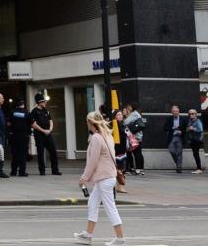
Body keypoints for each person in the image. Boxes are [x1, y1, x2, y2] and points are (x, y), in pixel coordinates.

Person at [74, 111, 127, 246]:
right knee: (93, 203)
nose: (87, 124)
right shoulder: (108, 135)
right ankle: (88, 235)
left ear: (91, 122)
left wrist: (84, 178)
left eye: (87, 122)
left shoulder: (96, 138)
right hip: (106, 177)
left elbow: (93, 161)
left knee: (110, 207)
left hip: (105, 178)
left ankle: (120, 239)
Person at [31, 93, 61, 175]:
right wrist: (43, 131)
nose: (45, 103)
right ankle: (42, 171)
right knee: (40, 153)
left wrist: (50, 129)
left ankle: (55, 170)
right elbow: (33, 124)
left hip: (48, 134)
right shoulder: (34, 112)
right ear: (39, 102)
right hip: (39, 135)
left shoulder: (46, 111)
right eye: (44, 102)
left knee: (53, 151)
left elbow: (50, 121)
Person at [8, 97, 32, 177]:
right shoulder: (26, 112)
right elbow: (31, 122)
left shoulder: (12, 112)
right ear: (23, 104)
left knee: (15, 153)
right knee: (23, 154)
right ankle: (22, 171)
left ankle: (13, 171)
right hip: (23, 135)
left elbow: (8, 123)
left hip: (14, 135)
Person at [122, 104, 146, 174]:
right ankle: (139, 169)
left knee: (137, 153)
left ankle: (139, 169)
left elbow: (125, 123)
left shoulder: (134, 115)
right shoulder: (134, 115)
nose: (123, 111)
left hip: (136, 137)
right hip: (134, 137)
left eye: (124, 110)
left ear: (128, 110)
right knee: (136, 153)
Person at [165, 104, 188, 173]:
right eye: (174, 111)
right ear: (171, 112)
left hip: (179, 137)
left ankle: (179, 167)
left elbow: (186, 129)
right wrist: (172, 128)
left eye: (176, 111)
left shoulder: (183, 119)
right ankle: (178, 163)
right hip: (172, 137)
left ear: (179, 112)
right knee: (172, 151)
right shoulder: (169, 119)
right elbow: (164, 128)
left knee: (179, 152)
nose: (175, 112)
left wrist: (181, 131)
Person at [186, 108, 205, 174]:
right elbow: (187, 130)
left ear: (196, 114)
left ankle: (199, 168)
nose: (191, 115)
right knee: (195, 154)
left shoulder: (198, 121)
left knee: (196, 154)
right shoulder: (190, 121)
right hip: (192, 140)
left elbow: (200, 130)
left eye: (192, 113)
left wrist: (193, 128)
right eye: (189, 114)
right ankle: (198, 168)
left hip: (197, 140)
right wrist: (188, 129)